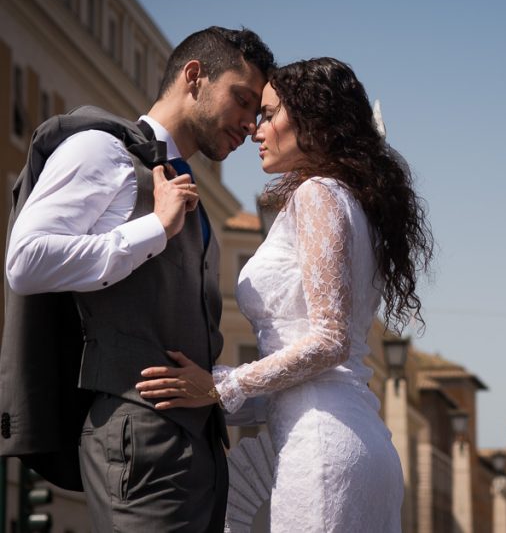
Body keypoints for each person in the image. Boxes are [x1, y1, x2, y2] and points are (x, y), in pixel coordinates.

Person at [136, 57, 433, 532]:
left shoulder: (319, 194)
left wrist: (220, 385)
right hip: (355, 439)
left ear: (313, 122)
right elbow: (328, 358)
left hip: (323, 450)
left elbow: (329, 341)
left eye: (270, 113)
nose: (256, 129)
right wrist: (219, 397)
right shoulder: (356, 205)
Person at [1, 27, 275, 532]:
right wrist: (156, 228)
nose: (249, 123)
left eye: (259, 112)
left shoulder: (185, 188)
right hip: (139, 442)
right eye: (242, 99)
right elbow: (26, 259)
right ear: (195, 77)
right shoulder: (101, 151)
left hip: (198, 453)